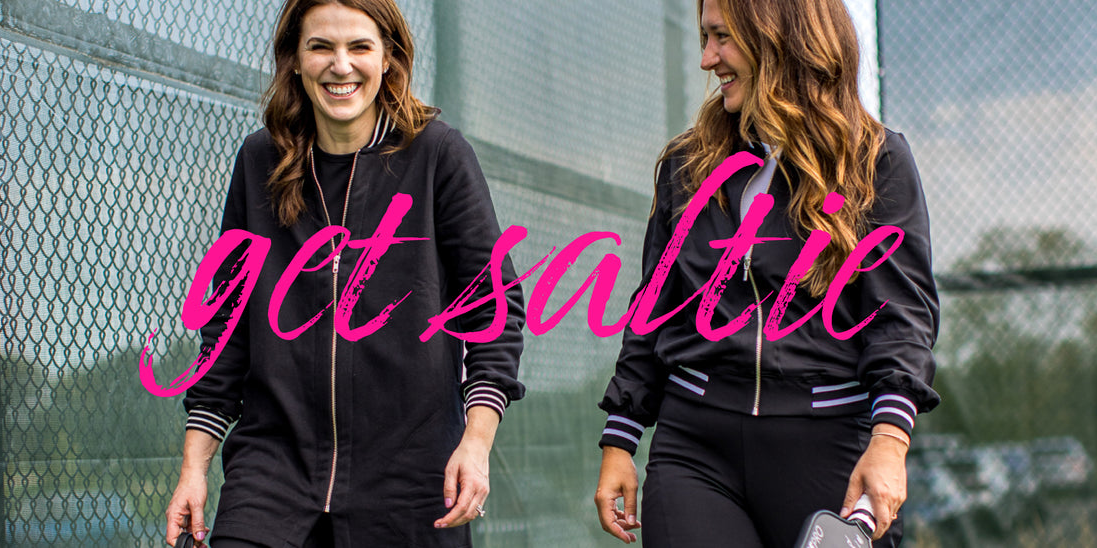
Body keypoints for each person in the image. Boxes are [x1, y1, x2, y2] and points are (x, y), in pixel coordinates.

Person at [164, 1, 525, 546]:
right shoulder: (259, 162)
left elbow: (494, 308)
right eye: (321, 47)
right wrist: (194, 467)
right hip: (273, 473)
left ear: (388, 59)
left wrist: (475, 443)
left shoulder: (437, 156)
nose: (341, 65)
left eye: (359, 47)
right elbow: (226, 328)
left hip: (410, 478)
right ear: (295, 60)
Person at [593, 0, 938, 546]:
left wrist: (890, 442)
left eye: (721, 38)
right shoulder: (689, 165)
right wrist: (621, 437)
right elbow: (654, 307)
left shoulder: (876, 161)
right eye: (704, 39)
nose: (707, 59)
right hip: (693, 449)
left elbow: (900, 318)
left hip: (828, 448)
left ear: (777, 38)